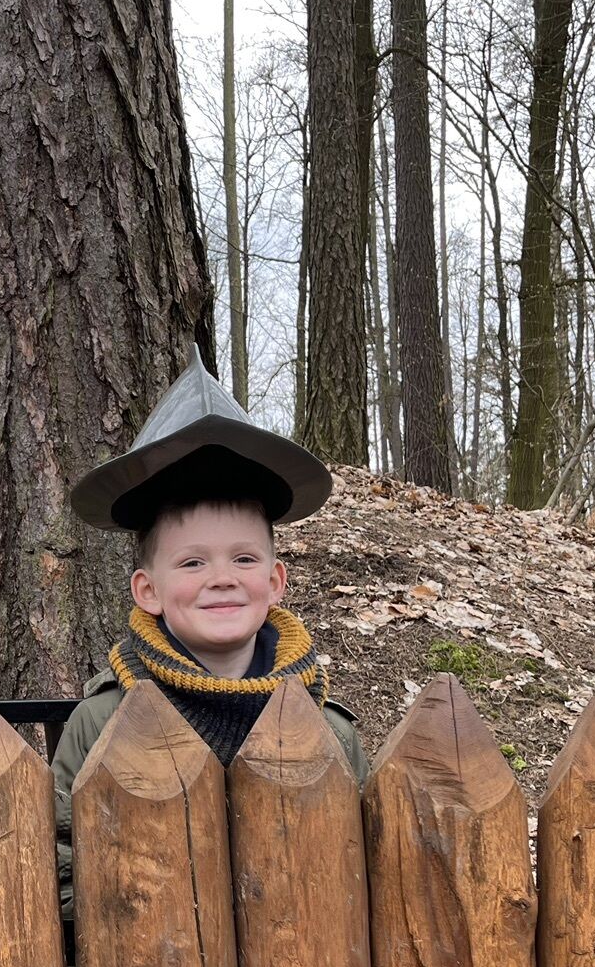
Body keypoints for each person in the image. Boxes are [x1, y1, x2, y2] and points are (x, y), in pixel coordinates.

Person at [50, 346, 368, 874]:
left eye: (243, 559)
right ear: (148, 590)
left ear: (274, 582)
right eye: (193, 562)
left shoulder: (327, 727)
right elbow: (64, 862)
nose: (222, 578)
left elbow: (365, 861)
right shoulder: (102, 722)